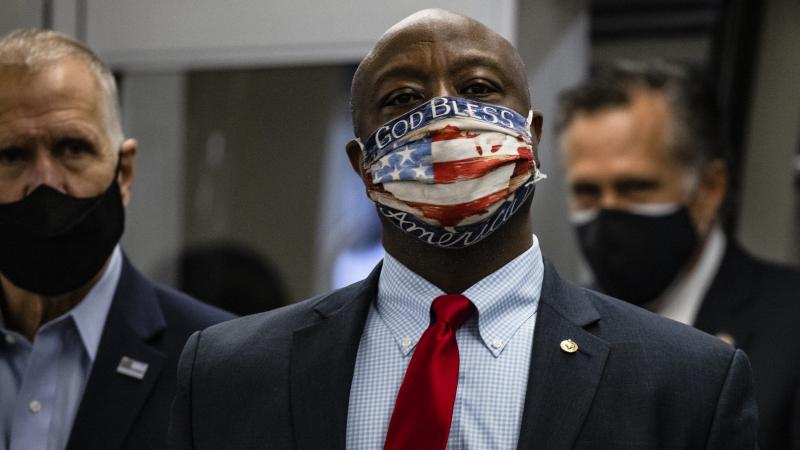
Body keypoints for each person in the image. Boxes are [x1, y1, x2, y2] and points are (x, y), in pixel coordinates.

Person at [170, 10, 757, 449]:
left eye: (478, 89)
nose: (444, 117)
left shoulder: (686, 383)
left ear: (533, 134)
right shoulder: (231, 372)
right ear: (362, 163)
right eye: (402, 99)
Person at [0, 29, 234, 450]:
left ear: (123, 173)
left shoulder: (222, 365)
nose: (45, 183)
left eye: (72, 148)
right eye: (11, 155)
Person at [557, 59, 800, 449]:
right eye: (587, 192)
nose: (608, 211)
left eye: (635, 187)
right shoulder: (561, 327)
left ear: (708, 190)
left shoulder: (790, 324)